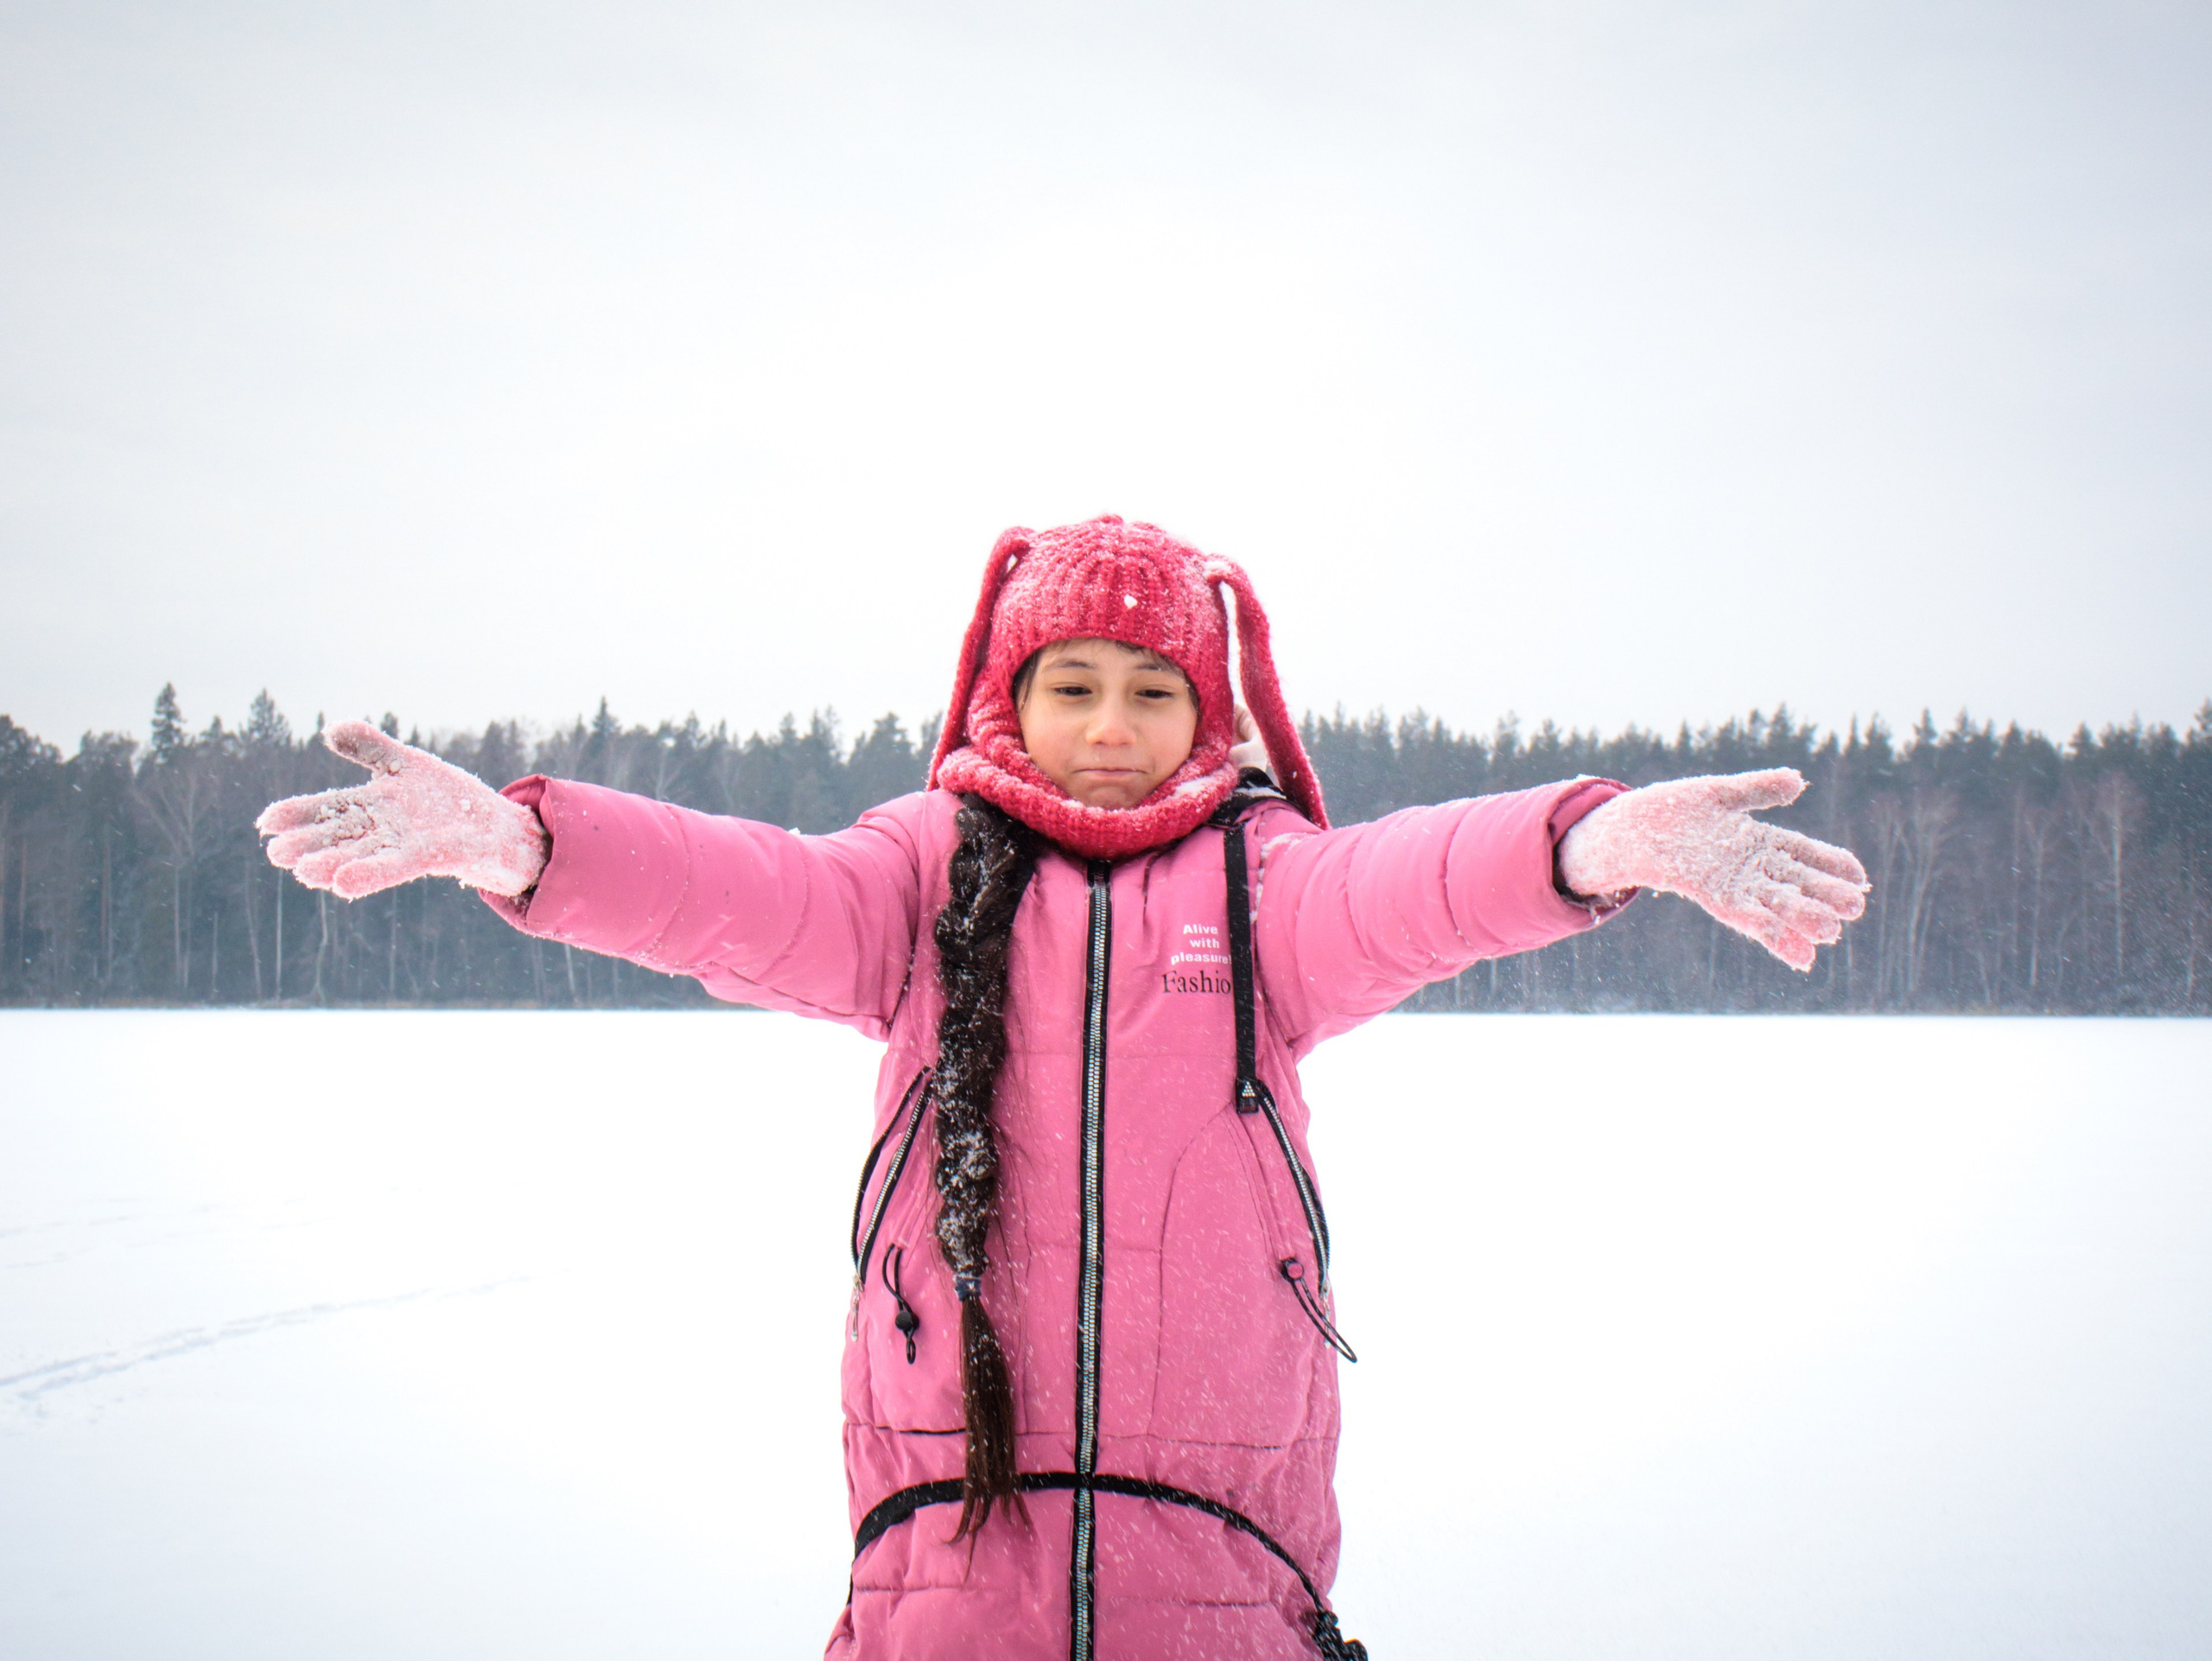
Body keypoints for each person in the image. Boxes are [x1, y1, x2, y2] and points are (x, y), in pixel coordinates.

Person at [258, 515, 1868, 1661]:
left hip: (1226, 1559)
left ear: (1207, 715)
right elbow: (749, 892)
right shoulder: (921, 868)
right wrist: (534, 846)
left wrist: (1585, 845)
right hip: (945, 1550)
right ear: (1008, 696)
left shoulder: (1260, 885)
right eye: (1074, 684)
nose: (1110, 726)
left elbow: (1410, 884)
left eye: (1154, 691)